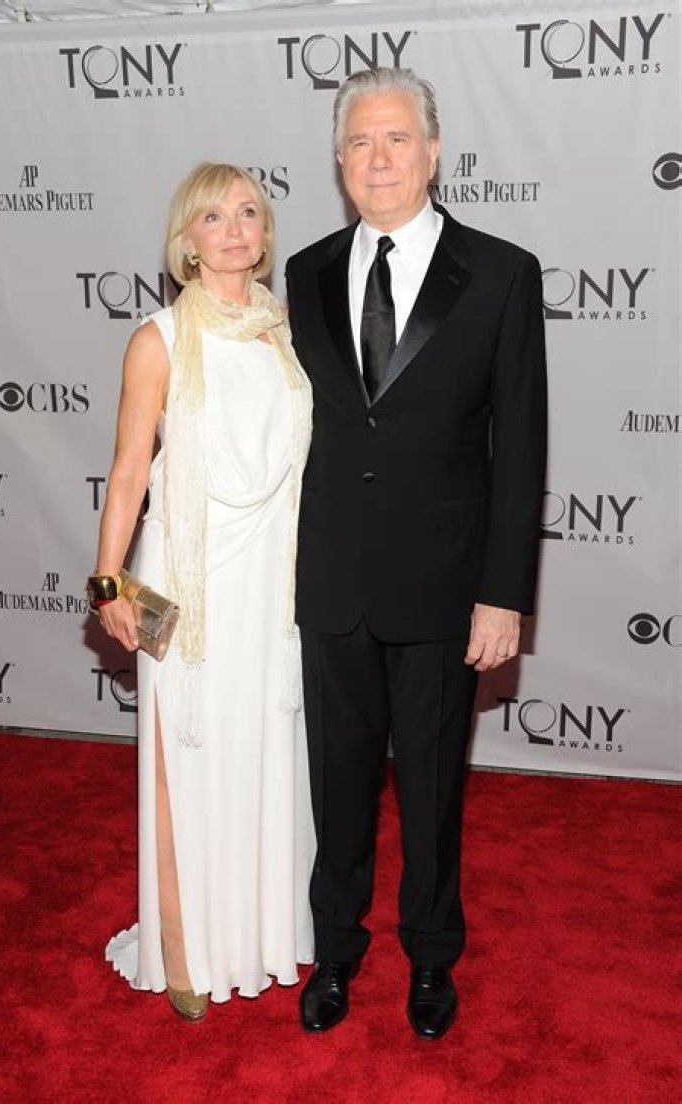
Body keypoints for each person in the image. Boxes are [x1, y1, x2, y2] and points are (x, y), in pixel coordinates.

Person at [285, 68, 547, 1040]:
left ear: (433, 153)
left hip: (444, 585)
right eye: (360, 142)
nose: (379, 158)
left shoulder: (503, 273)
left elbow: (521, 445)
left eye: (397, 138)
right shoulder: (304, 272)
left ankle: (432, 955)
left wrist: (503, 595)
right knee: (337, 784)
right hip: (333, 582)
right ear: (339, 162)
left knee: (434, 789)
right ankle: (335, 950)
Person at [90, 162, 315, 1022]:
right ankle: (182, 950)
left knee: (263, 753)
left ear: (265, 234)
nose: (233, 229)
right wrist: (108, 582)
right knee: (182, 757)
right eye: (213, 217)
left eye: (248, 213)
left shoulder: (284, 334)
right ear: (186, 240)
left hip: (272, 582)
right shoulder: (157, 338)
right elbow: (128, 470)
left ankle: (262, 933)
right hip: (186, 580)